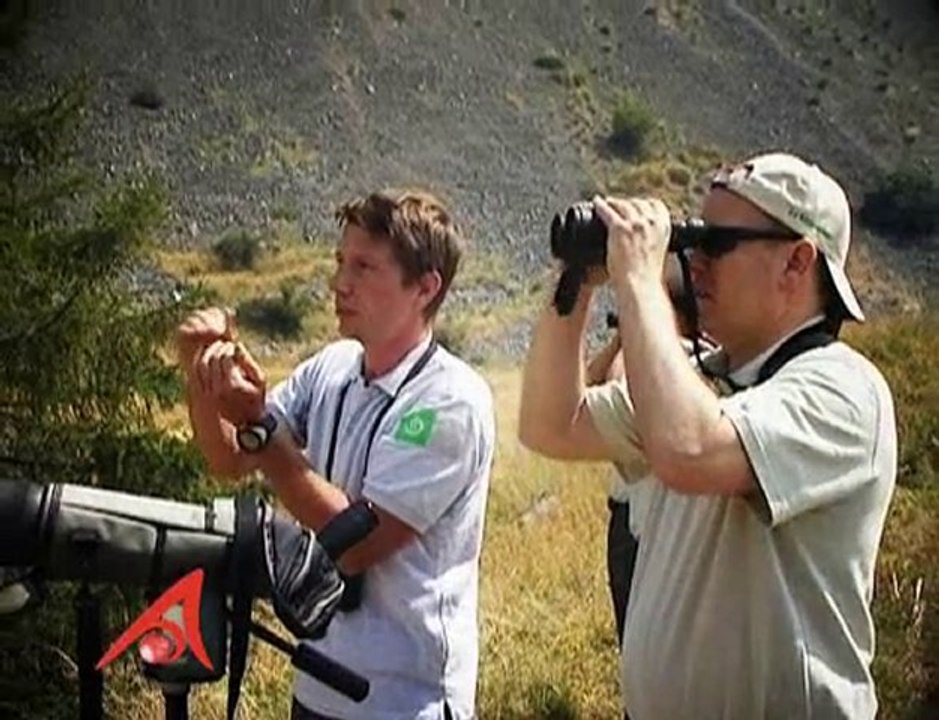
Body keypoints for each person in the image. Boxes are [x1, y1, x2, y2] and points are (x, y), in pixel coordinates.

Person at [519, 152, 897, 719]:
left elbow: (691, 451)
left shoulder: (843, 389)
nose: (693, 259)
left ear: (797, 262)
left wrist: (641, 280)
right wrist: (580, 274)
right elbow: (551, 424)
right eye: (690, 239)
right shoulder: (705, 383)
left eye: (715, 242)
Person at [176, 189, 496, 720]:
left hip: (404, 702)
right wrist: (202, 377)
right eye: (340, 262)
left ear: (425, 287)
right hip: (320, 683)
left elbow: (355, 546)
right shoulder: (333, 367)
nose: (339, 283)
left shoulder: (450, 401)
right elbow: (230, 459)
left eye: (364, 267)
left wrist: (258, 424)